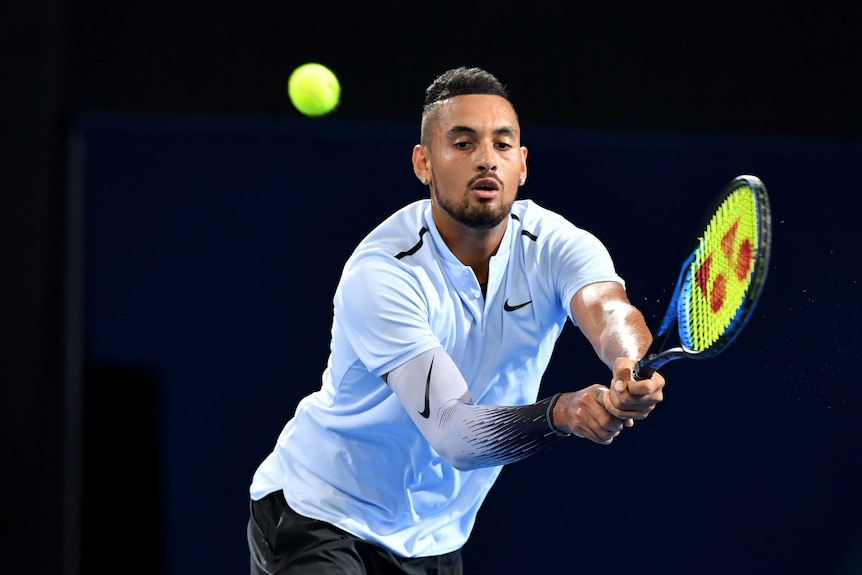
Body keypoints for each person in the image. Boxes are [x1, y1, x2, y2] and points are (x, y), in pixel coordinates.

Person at [247, 66, 666, 574]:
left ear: (523, 164)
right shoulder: (383, 272)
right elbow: (454, 434)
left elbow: (609, 309)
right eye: (463, 144)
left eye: (503, 145)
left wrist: (627, 360)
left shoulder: (556, 244)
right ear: (423, 163)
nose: (487, 159)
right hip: (321, 514)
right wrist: (563, 412)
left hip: (435, 537)